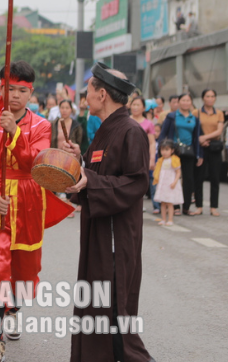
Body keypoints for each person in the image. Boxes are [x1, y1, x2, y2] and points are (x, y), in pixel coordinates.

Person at [0, 61, 73, 362]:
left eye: (21, 90)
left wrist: (14, 134)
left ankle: (14, 305)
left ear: (31, 93)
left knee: (26, 274)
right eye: (9, 89)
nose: (14, 95)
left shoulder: (41, 125)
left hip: (28, 202)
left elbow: (33, 163)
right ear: (0, 88)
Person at [59, 62, 153, 362]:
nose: (84, 97)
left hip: (116, 234)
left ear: (102, 94)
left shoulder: (131, 131)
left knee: (113, 312)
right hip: (97, 230)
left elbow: (136, 182)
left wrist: (91, 180)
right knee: (96, 307)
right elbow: (98, 171)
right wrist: (81, 163)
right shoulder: (103, 130)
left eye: (88, 90)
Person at [157, 93, 203, 215]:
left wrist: (199, 154)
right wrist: (160, 152)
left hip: (189, 152)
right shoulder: (171, 116)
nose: (185, 103)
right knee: (173, 178)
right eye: (183, 100)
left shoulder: (195, 119)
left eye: (188, 100)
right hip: (174, 152)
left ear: (191, 102)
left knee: (188, 179)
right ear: (178, 102)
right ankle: (175, 206)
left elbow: (197, 138)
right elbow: (163, 134)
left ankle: (186, 207)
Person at [197, 89, 226, 217]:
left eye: (212, 96)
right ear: (203, 98)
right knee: (199, 177)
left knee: (215, 177)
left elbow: (219, 131)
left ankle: (214, 207)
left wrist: (205, 138)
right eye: (207, 96)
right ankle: (199, 206)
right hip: (201, 148)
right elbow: (194, 129)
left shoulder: (219, 113)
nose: (210, 98)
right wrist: (200, 140)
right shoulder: (196, 112)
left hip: (214, 148)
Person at [129, 97, 159, 214]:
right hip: (127, 156)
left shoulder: (148, 124)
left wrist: (152, 159)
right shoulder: (126, 120)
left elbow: (152, 143)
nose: (135, 107)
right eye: (133, 104)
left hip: (141, 157)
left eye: (138, 105)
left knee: (140, 182)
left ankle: (137, 204)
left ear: (144, 108)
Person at [152, 140, 182, 227]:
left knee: (169, 202)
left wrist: (175, 181)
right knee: (163, 202)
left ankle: (170, 219)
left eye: (166, 149)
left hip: (170, 183)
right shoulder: (161, 160)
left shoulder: (175, 159)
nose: (164, 152)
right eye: (162, 150)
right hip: (162, 183)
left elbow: (178, 172)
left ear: (172, 150)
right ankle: (163, 219)